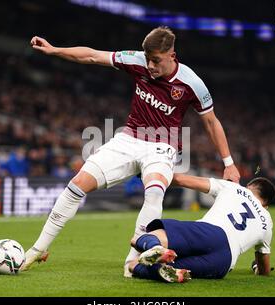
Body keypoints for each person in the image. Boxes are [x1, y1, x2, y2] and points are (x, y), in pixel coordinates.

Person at [21, 26, 241, 276]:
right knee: (76, 184)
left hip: (162, 146)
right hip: (128, 139)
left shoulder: (191, 83)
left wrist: (228, 162)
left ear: (172, 55)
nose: (150, 65)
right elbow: (93, 55)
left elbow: (211, 122)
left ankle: (133, 261)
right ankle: (38, 249)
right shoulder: (137, 60)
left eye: (156, 60)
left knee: (155, 192)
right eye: (147, 59)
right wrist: (54, 50)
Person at [127, 174, 275, 283]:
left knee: (138, 241)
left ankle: (156, 248)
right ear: (266, 205)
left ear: (248, 187)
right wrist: (257, 268)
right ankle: (166, 270)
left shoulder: (235, 188)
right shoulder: (267, 221)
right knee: (142, 267)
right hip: (223, 262)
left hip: (210, 232)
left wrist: (152, 175)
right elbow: (264, 269)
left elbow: (181, 180)